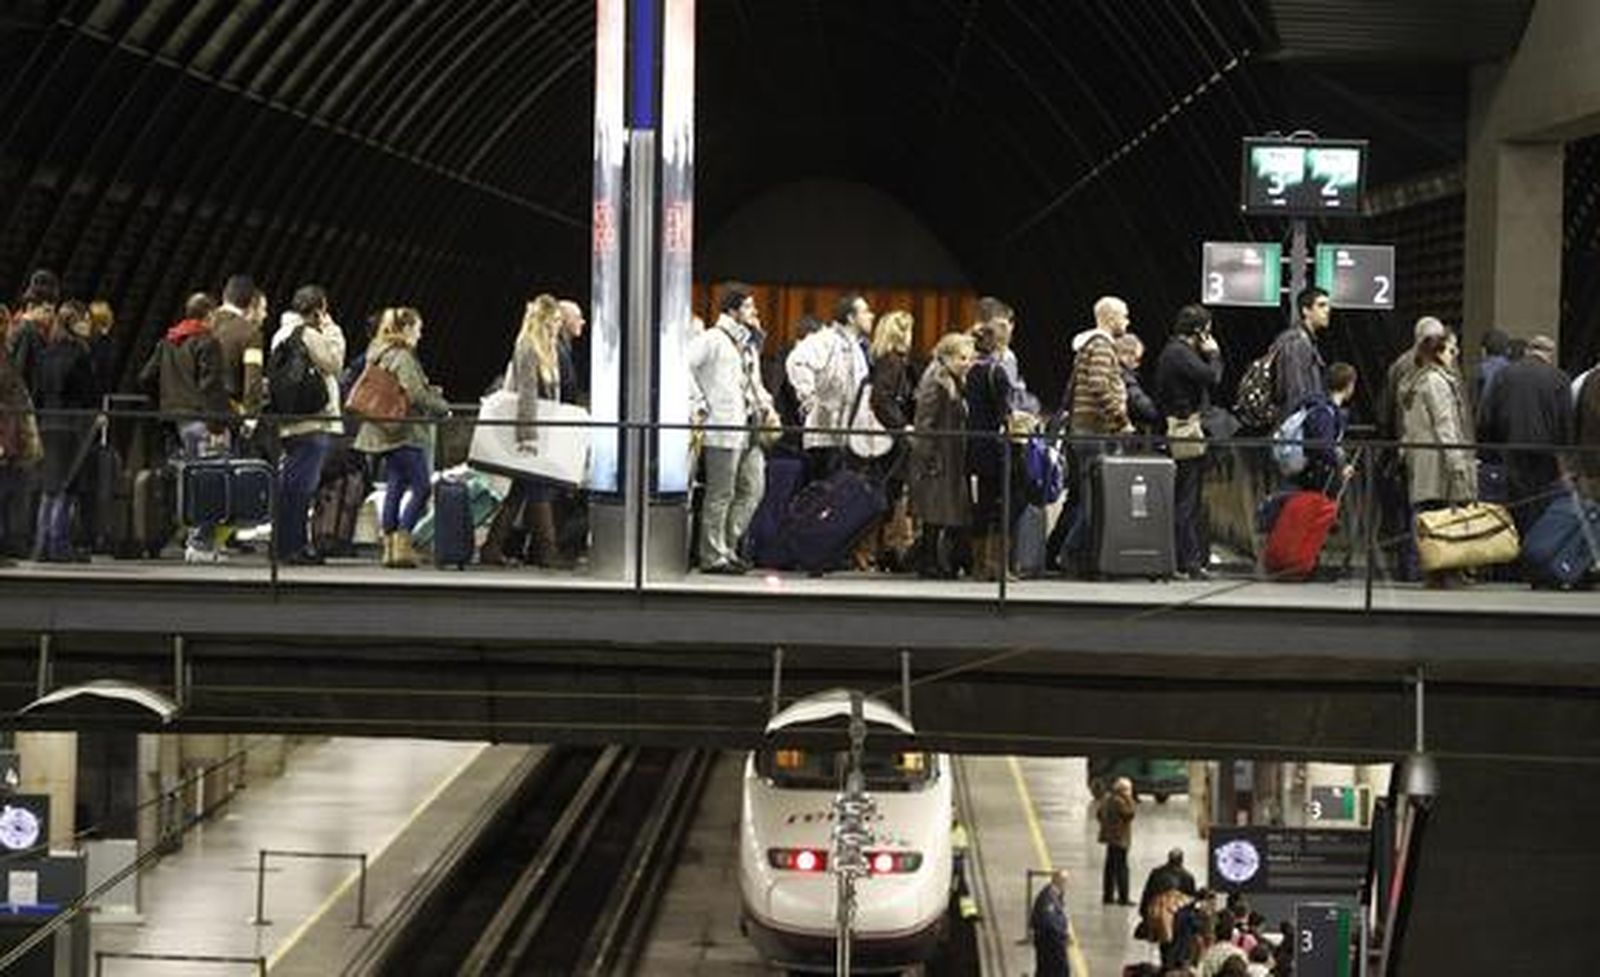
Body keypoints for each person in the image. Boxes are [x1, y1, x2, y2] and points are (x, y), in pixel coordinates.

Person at [352, 307, 449, 568]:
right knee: (422, 486)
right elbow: (415, 394)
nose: (420, 333)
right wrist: (442, 407)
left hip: (381, 430)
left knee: (396, 484)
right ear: (405, 329)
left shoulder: (378, 352)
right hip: (402, 431)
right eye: (417, 328)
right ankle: (403, 543)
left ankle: (390, 549)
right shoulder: (402, 356)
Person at [687, 284, 772, 574]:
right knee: (720, 493)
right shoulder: (712, 338)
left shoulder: (747, 344)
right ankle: (713, 555)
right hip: (721, 425)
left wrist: (767, 406)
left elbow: (754, 382)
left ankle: (728, 545)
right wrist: (698, 402)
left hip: (748, 425)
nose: (754, 311)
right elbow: (683, 366)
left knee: (753, 488)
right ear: (733, 310)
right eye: (748, 306)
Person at [480, 294, 569, 568]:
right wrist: (527, 435)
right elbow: (527, 395)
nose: (558, 326)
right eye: (555, 320)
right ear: (543, 320)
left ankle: (492, 548)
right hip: (531, 432)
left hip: (542, 432)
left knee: (519, 492)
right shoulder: (528, 347)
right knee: (538, 490)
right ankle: (547, 551)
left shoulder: (549, 348)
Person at [140, 292, 229, 562]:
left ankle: (181, 537)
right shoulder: (207, 342)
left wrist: (165, 404)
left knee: (185, 482)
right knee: (209, 481)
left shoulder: (168, 341)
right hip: (202, 421)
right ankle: (201, 544)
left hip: (175, 423)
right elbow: (211, 386)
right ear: (209, 315)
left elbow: (145, 377)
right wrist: (218, 424)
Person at [269, 285, 345, 565]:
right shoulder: (311, 334)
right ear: (318, 309)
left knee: (290, 487)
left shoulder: (280, 334)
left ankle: (283, 545)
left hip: (289, 421)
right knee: (301, 489)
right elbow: (335, 363)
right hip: (312, 422)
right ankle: (294, 548)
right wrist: (333, 329)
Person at [1058, 296, 1131, 574]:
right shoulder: (1101, 347)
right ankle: (1072, 554)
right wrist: (1120, 419)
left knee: (1088, 497)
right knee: (1097, 501)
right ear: (1111, 318)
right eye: (1124, 316)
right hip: (1093, 432)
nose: (1127, 321)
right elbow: (1099, 385)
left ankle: (1074, 555)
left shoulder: (1088, 346)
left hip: (1083, 430)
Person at [1400, 331, 1476, 588]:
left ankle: (1435, 572)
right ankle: (1442, 572)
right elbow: (1445, 423)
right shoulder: (1436, 382)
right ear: (1439, 354)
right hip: (1438, 461)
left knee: (1429, 516)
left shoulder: (1419, 379)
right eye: (1451, 351)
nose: (1455, 355)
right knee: (1442, 516)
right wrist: (1456, 461)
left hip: (1425, 460)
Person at [1478, 334, 1574, 533]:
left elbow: (1487, 418)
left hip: (1509, 452)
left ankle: (1512, 554)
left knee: (1512, 510)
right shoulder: (1560, 378)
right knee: (1540, 511)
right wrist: (1566, 461)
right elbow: (1565, 425)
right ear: (1550, 354)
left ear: (1529, 350)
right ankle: (1535, 554)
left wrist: (1488, 453)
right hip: (1545, 459)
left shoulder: (1504, 375)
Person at [1155, 304, 1224, 579]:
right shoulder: (1179, 353)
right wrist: (1215, 354)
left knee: (1188, 498)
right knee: (1187, 499)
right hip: (1183, 431)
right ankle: (1188, 562)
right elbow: (1212, 377)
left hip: (1179, 428)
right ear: (1201, 331)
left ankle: (1187, 560)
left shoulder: (1174, 352)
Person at [28, 301, 96, 562]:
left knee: (49, 485)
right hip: (72, 424)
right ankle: (59, 543)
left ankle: (41, 543)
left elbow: (36, 392)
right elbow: (88, 392)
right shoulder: (79, 354)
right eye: (83, 319)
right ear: (74, 323)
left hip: (46, 423)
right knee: (67, 486)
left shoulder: (46, 353)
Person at [908, 332, 975, 579]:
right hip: (937, 457)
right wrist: (929, 458)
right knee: (933, 514)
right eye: (962, 358)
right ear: (947, 357)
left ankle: (936, 561)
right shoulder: (936, 381)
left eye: (969, 358)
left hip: (949, 456)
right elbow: (924, 423)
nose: (967, 363)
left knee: (941, 513)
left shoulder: (952, 379)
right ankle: (928, 562)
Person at [786, 292, 872, 482]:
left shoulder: (858, 348)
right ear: (850, 317)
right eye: (865, 311)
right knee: (824, 496)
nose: (871, 315)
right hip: (825, 438)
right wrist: (808, 396)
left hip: (848, 437)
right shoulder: (827, 339)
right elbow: (797, 361)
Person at [861, 309, 916, 571]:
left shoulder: (884, 359)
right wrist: (901, 426)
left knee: (889, 494)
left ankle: (881, 550)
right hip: (891, 439)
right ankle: (883, 549)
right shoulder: (892, 362)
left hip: (885, 438)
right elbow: (881, 399)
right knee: (892, 494)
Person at [964, 322, 1013, 580]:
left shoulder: (969, 371)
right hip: (995, 446)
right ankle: (1000, 567)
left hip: (973, 444)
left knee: (980, 506)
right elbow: (1005, 413)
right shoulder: (998, 373)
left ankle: (978, 566)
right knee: (1001, 506)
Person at [1289, 361, 1358, 497]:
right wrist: (1342, 465)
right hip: (1316, 478)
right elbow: (1325, 445)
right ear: (1348, 385)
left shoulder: (1322, 407)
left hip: (1310, 475)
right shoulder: (1324, 412)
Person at [211, 274, 267, 417]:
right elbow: (252, 380)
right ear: (250, 303)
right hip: (225, 411)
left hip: (183, 412)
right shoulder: (250, 333)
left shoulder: (202, 324)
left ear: (224, 296)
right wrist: (251, 417)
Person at [1272, 286, 1332, 419]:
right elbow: (1297, 393)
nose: (1327, 311)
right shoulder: (1297, 342)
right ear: (1306, 310)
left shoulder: (1305, 340)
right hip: (1297, 429)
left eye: (1328, 306)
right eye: (1321, 305)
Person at [1140, 848, 1199, 966]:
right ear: (1182, 861)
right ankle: (1173, 965)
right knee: (1176, 944)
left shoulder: (1156, 873)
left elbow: (1147, 893)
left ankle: (1166, 964)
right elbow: (1191, 902)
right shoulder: (1188, 877)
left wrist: (1144, 913)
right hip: (1179, 918)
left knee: (1165, 944)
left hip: (1159, 916)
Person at [1096, 776, 1135, 905]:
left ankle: (1108, 896)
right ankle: (1123, 898)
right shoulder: (1120, 801)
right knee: (1122, 869)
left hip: (1110, 839)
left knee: (1110, 868)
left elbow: (1099, 814)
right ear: (1123, 790)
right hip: (1120, 840)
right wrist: (1129, 799)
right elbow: (1130, 814)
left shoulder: (1107, 799)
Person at [1029, 868, 1073, 977]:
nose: (1066, 886)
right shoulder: (1048, 899)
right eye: (1065, 882)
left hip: (1052, 942)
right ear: (1059, 882)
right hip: (1051, 944)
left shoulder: (1054, 894)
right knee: (1055, 971)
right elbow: (1050, 923)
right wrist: (1063, 936)